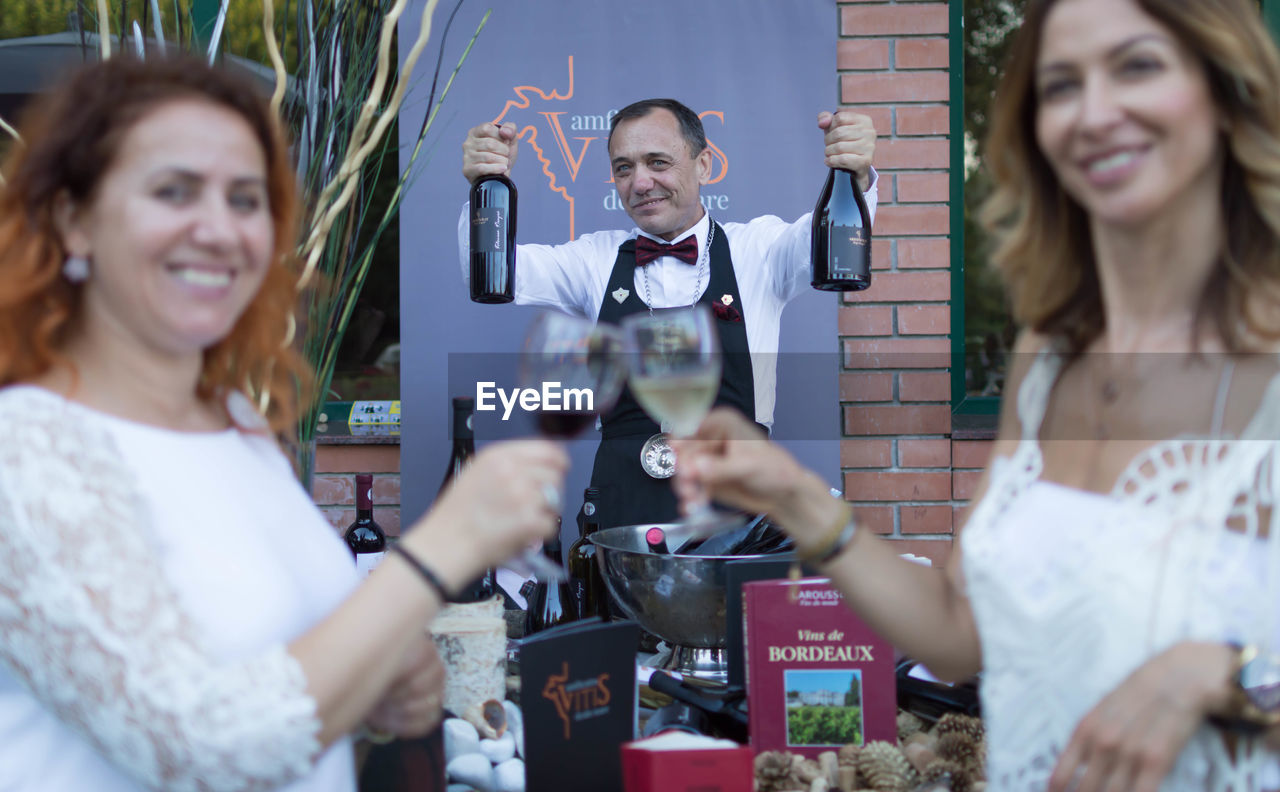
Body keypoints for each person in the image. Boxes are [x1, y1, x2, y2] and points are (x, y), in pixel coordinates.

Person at [674, 0, 1280, 789]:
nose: (1094, 112)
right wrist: (797, 500)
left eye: (1138, 65)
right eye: (1060, 85)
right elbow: (961, 634)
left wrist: (1227, 672)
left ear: (1224, 95)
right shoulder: (1049, 358)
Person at [0, 56, 567, 792]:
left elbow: (284, 687)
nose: (219, 229)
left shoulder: (235, 422)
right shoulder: (28, 450)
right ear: (73, 220)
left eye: (246, 199)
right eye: (173, 191)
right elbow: (197, 745)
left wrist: (373, 693)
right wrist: (437, 554)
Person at [458, 98, 878, 530]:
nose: (640, 182)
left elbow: (828, 239)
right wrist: (484, 186)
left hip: (736, 505)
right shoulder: (594, 258)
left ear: (704, 165)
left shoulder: (760, 249)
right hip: (623, 505)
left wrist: (857, 176)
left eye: (657, 162)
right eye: (623, 168)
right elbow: (499, 271)